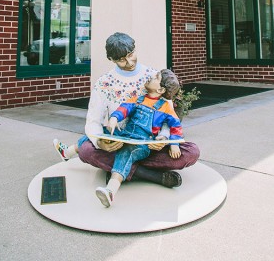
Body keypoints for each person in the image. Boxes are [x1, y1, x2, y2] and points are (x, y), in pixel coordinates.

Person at [53, 32, 200, 187]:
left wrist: (164, 139)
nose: (129, 62)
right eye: (121, 60)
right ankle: (152, 176)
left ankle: (120, 170)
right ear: (111, 59)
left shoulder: (154, 76)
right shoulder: (104, 83)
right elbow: (93, 121)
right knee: (86, 150)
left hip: (148, 147)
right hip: (118, 143)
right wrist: (100, 144)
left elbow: (168, 115)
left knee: (191, 152)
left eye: (131, 54)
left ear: (135, 48)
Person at [95, 68, 183, 207]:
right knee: (101, 133)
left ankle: (110, 191)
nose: (152, 76)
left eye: (156, 78)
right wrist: (114, 118)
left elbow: (176, 126)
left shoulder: (166, 107)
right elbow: (125, 108)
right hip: (126, 135)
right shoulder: (139, 99)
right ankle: (68, 152)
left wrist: (174, 144)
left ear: (160, 90)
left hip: (142, 144)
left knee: (126, 152)